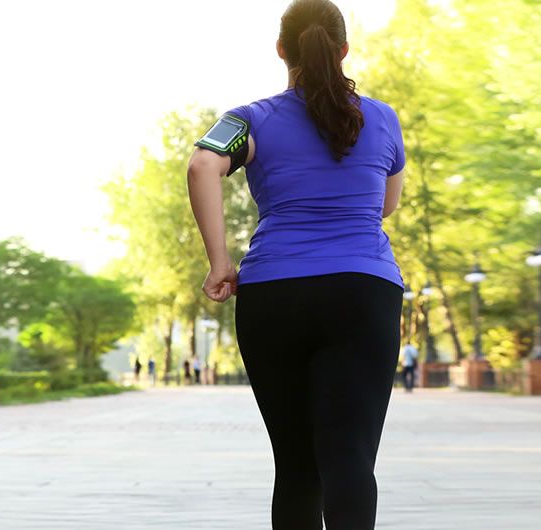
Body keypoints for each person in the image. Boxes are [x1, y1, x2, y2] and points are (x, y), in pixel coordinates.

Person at [184, 1, 406, 527]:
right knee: (349, 460)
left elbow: (201, 166)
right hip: (362, 292)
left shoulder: (247, 119)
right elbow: (385, 206)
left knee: (297, 467)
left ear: (282, 50)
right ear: (344, 49)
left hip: (273, 294)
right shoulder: (381, 117)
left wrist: (220, 262)